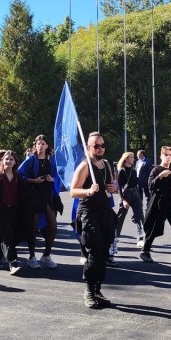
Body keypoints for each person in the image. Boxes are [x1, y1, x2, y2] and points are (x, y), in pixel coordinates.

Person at [71, 132, 118, 308]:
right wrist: (88, 191)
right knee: (94, 252)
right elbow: (73, 191)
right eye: (96, 146)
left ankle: (98, 289)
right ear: (88, 147)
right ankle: (89, 290)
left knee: (104, 253)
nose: (100, 149)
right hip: (88, 212)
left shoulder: (105, 164)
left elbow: (112, 186)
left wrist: (114, 187)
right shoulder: (84, 166)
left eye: (102, 145)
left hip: (105, 212)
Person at [18, 135, 60, 269]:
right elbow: (19, 174)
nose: (40, 146)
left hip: (48, 195)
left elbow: (57, 175)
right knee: (33, 228)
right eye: (38, 144)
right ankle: (31, 257)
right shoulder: (31, 159)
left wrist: (52, 179)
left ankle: (46, 255)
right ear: (35, 146)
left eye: (43, 144)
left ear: (47, 146)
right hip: (33, 196)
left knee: (53, 226)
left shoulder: (51, 160)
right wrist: (33, 180)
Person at [0, 150, 26, 274]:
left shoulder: (18, 178)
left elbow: (22, 196)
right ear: (2, 161)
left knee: (4, 237)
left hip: (13, 211)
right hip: (0, 211)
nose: (8, 161)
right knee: (7, 238)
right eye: (6, 159)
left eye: (11, 159)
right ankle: (13, 263)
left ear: (15, 162)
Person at [140, 146, 171, 263]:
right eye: (165, 154)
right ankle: (145, 251)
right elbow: (150, 186)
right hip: (158, 204)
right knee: (153, 229)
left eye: (170, 155)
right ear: (161, 156)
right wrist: (160, 176)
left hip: (170, 205)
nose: (168, 157)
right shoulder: (155, 170)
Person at [114, 151, 146, 249]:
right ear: (126, 159)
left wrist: (140, 199)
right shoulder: (121, 171)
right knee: (120, 216)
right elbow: (119, 187)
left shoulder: (134, 170)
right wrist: (123, 200)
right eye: (132, 157)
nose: (134, 159)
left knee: (140, 216)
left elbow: (137, 185)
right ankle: (114, 236)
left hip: (135, 194)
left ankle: (140, 239)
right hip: (125, 194)